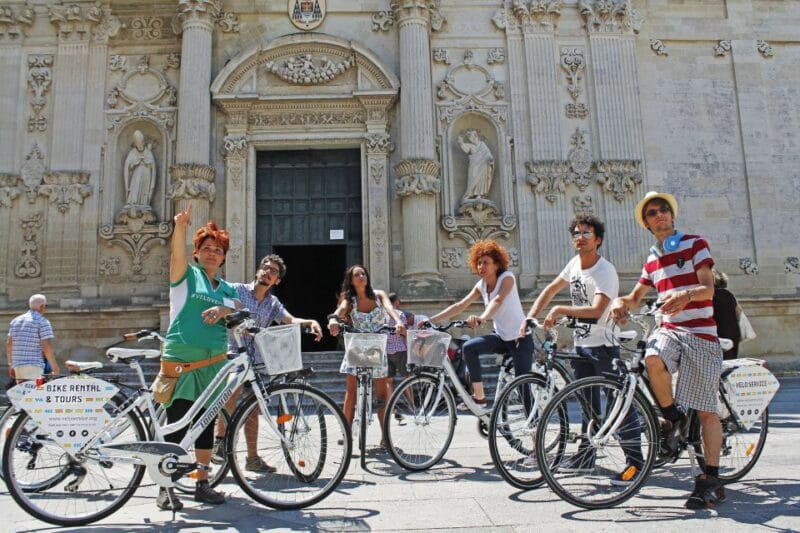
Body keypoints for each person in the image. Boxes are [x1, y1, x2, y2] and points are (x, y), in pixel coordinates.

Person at [609, 191, 726, 510]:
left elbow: (708, 286)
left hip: (701, 333)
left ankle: (711, 479)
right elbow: (635, 296)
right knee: (651, 356)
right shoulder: (652, 258)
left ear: (672, 216)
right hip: (671, 331)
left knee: (705, 411)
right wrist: (621, 303)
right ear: (646, 224)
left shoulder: (694, 244)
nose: (659, 215)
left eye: (663, 210)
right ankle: (672, 419)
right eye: (652, 213)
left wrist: (686, 296)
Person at [518, 215, 642, 483]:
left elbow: (598, 311)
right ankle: (586, 454)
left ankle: (635, 462)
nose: (581, 236)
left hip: (604, 345)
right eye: (577, 232)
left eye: (587, 233)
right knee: (587, 402)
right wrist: (530, 316)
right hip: (582, 345)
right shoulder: (574, 264)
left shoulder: (604, 270)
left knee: (618, 402)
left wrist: (561, 309)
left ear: (598, 240)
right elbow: (551, 289)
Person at [158, 205, 238, 511]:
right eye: (206, 249)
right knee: (177, 422)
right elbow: (176, 256)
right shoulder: (185, 276)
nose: (212, 254)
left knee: (205, 422)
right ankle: (165, 486)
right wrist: (180, 227)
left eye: (217, 250)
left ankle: (202, 482)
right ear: (196, 253)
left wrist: (224, 310)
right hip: (182, 361)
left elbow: (237, 309)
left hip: (214, 364)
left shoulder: (227, 287)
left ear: (223, 256)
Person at [211, 254, 323, 471]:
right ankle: (219, 441)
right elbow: (224, 311)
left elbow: (289, 320)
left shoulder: (272, 303)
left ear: (277, 280)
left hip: (259, 361)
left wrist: (311, 321)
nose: (267, 272)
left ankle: (252, 459)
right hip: (235, 353)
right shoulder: (238, 290)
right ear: (257, 271)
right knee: (230, 394)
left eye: (273, 271)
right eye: (265, 268)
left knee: (254, 409)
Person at [428, 239, 532, 405]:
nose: (481, 267)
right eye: (479, 263)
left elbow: (498, 300)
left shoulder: (507, 278)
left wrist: (483, 317)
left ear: (496, 265)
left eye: (486, 263)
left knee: (523, 386)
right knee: (469, 347)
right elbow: (460, 305)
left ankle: (534, 425)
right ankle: (479, 396)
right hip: (501, 337)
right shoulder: (481, 285)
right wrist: (431, 320)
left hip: (520, 338)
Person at [327, 265, 406, 448]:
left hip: (377, 347)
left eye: (363, 273)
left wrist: (399, 322)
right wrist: (333, 319)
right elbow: (340, 311)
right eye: (357, 275)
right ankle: (346, 433)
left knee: (381, 394)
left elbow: (389, 309)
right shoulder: (350, 299)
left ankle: (385, 437)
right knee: (351, 391)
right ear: (351, 280)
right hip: (357, 347)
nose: (361, 276)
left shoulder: (379, 295)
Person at [6, 294, 60, 382]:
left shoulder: (16, 321)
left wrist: (11, 364)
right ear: (41, 306)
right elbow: (46, 346)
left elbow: (9, 344)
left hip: (17, 366)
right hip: (33, 366)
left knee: (22, 395)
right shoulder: (42, 322)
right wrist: (55, 367)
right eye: (46, 306)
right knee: (34, 395)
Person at [712, 269, 741, 360]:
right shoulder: (729, 294)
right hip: (733, 332)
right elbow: (738, 312)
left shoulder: (710, 296)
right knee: (731, 361)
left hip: (718, 333)